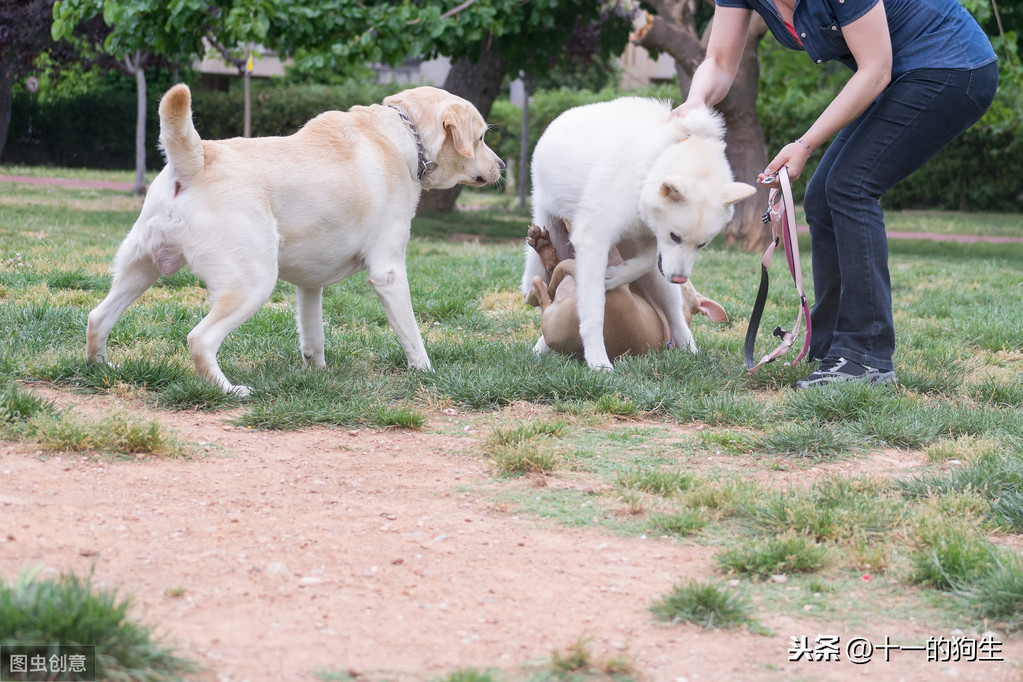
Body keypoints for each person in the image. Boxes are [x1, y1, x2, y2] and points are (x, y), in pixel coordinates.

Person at [671, 0, 998, 388]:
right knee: (824, 197)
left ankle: (867, 358)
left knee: (850, 186)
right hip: (900, 75)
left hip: (951, 65)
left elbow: (875, 69)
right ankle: (831, 351)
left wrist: (804, 144)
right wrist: (695, 101)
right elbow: (721, 62)